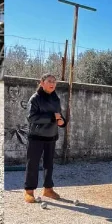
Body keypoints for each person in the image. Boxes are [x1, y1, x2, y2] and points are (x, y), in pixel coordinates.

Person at [23, 74, 66, 203]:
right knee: (33, 164)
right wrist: (52, 118)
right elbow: (31, 118)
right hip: (36, 137)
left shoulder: (55, 98)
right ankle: (29, 191)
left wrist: (62, 122)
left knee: (49, 164)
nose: (52, 83)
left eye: (54, 81)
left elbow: (59, 115)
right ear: (42, 83)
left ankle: (48, 189)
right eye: (49, 81)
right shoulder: (35, 98)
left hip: (51, 136)